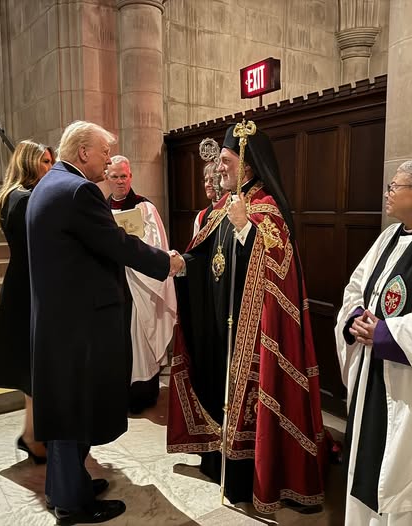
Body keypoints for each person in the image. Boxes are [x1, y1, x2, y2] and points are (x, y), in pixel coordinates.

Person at [26, 120, 182, 525]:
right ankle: (72, 503)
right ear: (83, 153)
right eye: (104, 152)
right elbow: (116, 243)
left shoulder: (49, 184)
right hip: (77, 325)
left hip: (60, 320)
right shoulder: (78, 191)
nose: (108, 159)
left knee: (68, 409)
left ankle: (68, 484)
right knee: (73, 412)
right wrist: (167, 262)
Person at [167, 122, 328, 512]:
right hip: (220, 323)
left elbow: (279, 267)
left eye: (225, 161)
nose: (219, 168)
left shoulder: (267, 210)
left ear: (248, 165)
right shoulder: (221, 207)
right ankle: (218, 459)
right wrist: (182, 265)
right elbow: (206, 259)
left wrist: (245, 227)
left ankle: (251, 476)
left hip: (254, 330)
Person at [335, 157, 412, 526]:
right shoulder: (389, 236)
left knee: (409, 472)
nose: (387, 194)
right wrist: (355, 319)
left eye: (394, 186)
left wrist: (387, 335)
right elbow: (356, 289)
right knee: (369, 466)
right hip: (373, 374)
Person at [0, 140, 55, 463]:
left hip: (22, 284)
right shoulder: (25, 200)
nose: (50, 167)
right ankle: (33, 436)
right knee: (34, 368)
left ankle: (32, 434)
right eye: (44, 161)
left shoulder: (13, 197)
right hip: (27, 288)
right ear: (29, 163)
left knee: (32, 370)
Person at [104, 155, 177, 414]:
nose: (121, 181)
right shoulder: (100, 210)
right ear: (107, 179)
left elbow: (157, 246)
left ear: (131, 176)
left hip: (139, 285)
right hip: (111, 283)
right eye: (115, 176)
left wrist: (131, 252)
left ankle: (141, 393)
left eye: (124, 176)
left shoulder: (145, 208)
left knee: (139, 334)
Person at [192, 161, 221, 237]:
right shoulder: (201, 216)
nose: (208, 184)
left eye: (212, 180)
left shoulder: (233, 212)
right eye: (206, 180)